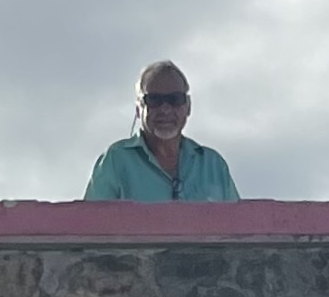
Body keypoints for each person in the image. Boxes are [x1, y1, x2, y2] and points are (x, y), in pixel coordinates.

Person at [84, 65, 240, 202]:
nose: (165, 109)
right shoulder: (115, 161)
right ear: (138, 109)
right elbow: (90, 226)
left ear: (188, 107)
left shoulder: (213, 165)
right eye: (154, 100)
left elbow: (239, 226)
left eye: (175, 99)